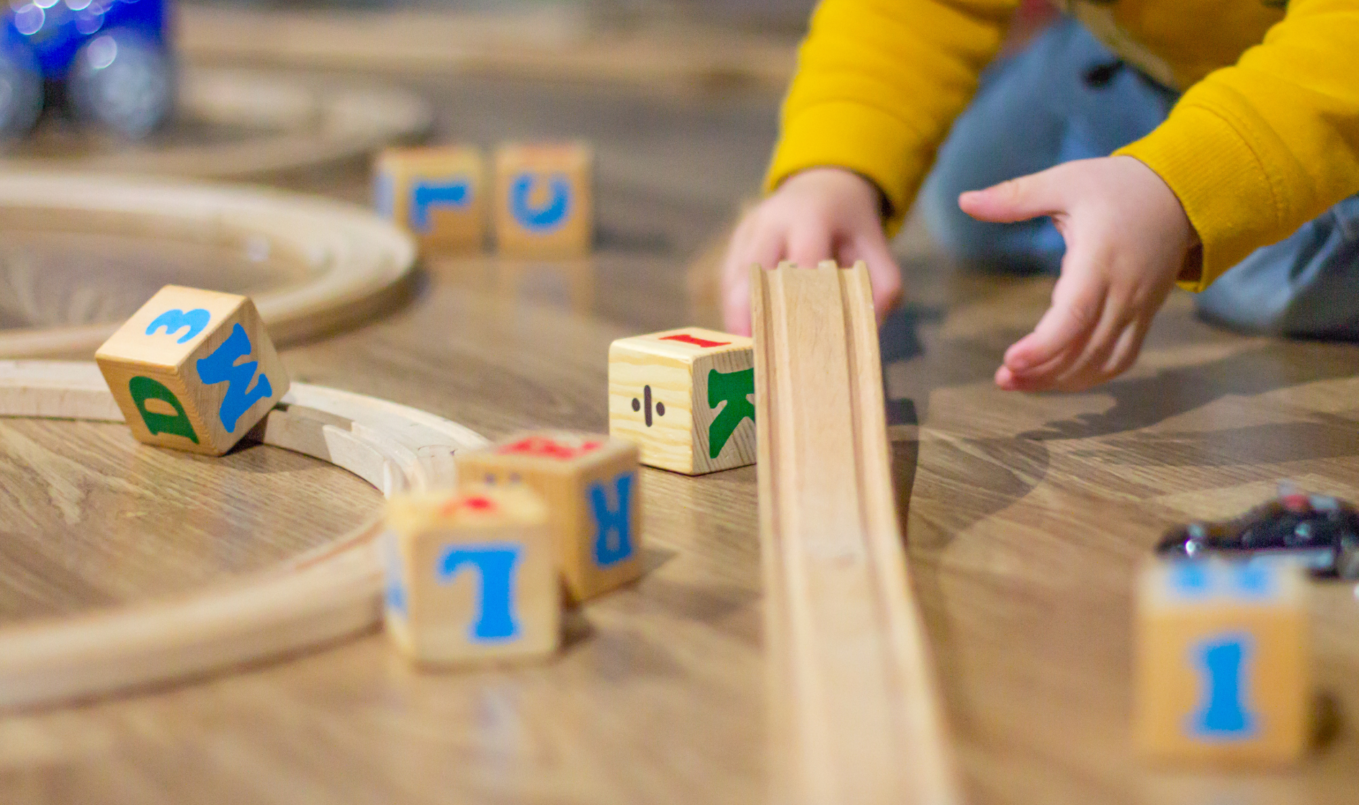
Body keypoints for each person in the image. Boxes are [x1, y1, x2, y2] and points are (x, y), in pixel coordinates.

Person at [721, 1, 1359, 392]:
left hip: (1330, 68)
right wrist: (835, 165)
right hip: (1159, 56)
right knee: (973, 186)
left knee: (1266, 285)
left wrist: (1180, 189)